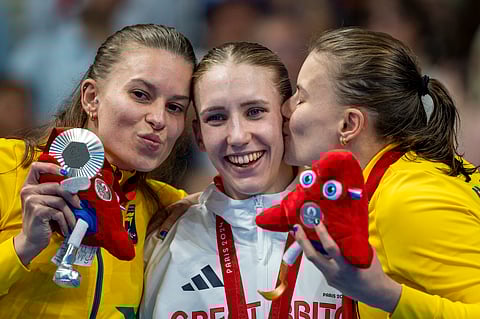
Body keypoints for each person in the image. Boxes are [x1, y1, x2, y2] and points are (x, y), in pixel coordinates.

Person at [0, 24, 197, 318]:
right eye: (141, 95)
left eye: (175, 107)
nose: (159, 119)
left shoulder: (167, 208)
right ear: (92, 97)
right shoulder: (8, 165)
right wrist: (24, 246)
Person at [281, 27, 480, 318]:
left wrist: (386, 296)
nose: (285, 108)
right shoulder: (398, 177)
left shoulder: (406, 200)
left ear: (349, 125)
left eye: (301, 98)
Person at [141, 42, 343, 319]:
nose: (237, 136)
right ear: (199, 134)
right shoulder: (161, 235)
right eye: (216, 117)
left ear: (286, 116)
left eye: (255, 112)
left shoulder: (352, 223)